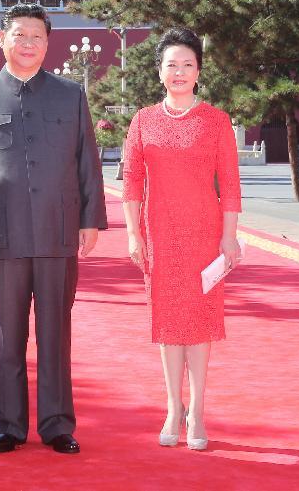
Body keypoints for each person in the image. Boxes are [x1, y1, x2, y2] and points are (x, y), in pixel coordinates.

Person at [0, 3, 107, 455]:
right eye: (19, 36)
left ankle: (57, 423)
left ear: (48, 42)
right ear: (2, 40)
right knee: (7, 334)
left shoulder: (69, 94)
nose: (28, 44)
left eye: (36, 36)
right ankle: (9, 424)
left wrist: (90, 219)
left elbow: (87, 162)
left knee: (56, 333)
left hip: (59, 231)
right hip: (3, 233)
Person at [121, 26, 242, 452]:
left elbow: (229, 183)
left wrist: (230, 238)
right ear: (159, 72)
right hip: (160, 234)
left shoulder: (216, 121)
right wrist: (134, 234)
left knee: (199, 323)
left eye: (187, 65)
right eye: (171, 64)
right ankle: (174, 407)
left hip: (205, 236)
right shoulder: (143, 121)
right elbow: (132, 183)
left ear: (198, 72)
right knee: (169, 324)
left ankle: (200, 410)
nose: (179, 72)